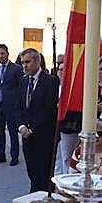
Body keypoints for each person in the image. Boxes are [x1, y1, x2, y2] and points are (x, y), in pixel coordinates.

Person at [18, 48, 59, 193]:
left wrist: (33, 129)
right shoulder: (23, 81)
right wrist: (22, 126)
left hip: (43, 135)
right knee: (32, 170)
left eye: (27, 62)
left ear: (37, 61)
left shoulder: (50, 81)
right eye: (23, 62)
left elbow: (49, 109)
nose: (24, 66)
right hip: (26, 135)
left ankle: (45, 198)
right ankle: (34, 196)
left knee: (44, 171)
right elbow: (19, 107)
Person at [0, 43, 23, 166]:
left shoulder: (16, 68)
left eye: (2, 53)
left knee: (12, 131)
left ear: (7, 54)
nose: (0, 56)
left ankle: (14, 156)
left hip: (11, 105)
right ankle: (0, 154)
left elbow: (20, 87)